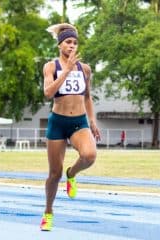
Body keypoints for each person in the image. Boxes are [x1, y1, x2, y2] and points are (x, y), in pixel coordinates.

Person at [40, 23, 101, 231]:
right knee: (53, 174)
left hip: (79, 122)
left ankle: (72, 174)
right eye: (68, 42)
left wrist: (92, 120)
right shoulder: (51, 66)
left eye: (75, 42)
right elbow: (48, 93)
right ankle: (48, 211)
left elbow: (87, 96)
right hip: (58, 122)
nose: (72, 46)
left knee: (90, 155)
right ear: (60, 45)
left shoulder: (85, 69)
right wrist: (65, 71)